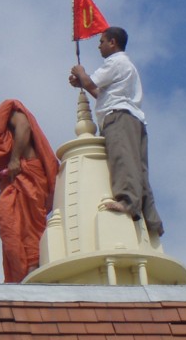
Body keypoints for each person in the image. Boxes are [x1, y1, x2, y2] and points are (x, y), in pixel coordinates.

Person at [69, 26, 165, 237]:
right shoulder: (126, 65)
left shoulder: (116, 62)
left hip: (119, 118)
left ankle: (127, 201)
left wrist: (80, 73)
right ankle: (152, 220)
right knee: (139, 167)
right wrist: (82, 83)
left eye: (102, 41)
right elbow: (101, 93)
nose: (99, 46)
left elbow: (91, 81)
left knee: (123, 159)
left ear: (113, 42)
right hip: (132, 117)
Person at [0, 100, 60, 283]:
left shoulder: (7, 112)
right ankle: (20, 272)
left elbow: (24, 126)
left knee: (31, 225)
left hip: (30, 175)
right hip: (12, 184)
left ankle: (33, 265)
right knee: (6, 221)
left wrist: (15, 159)